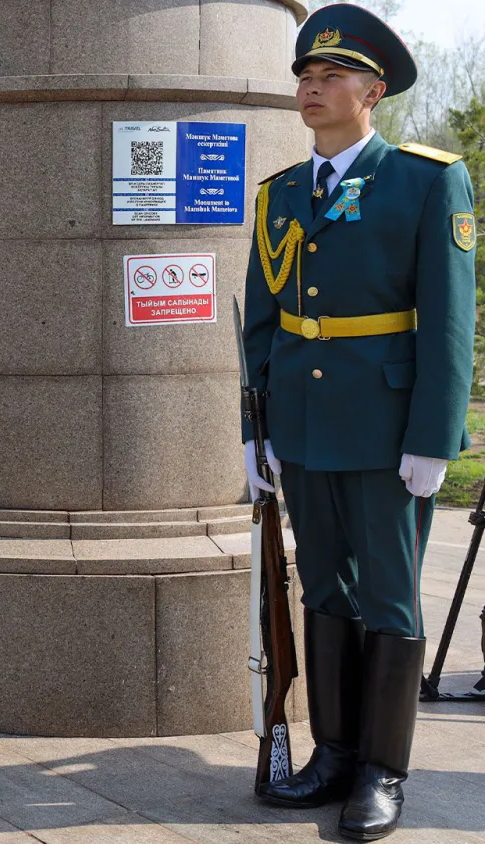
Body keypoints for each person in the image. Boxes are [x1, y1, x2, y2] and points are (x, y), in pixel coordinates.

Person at [241, 4, 476, 839]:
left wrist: (433, 437)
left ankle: (383, 769)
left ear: (372, 91)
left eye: (330, 76)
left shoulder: (425, 178)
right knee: (322, 586)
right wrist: (254, 428)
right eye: (305, 76)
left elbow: (448, 319)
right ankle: (333, 754)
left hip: (386, 430)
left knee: (387, 595)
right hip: (302, 428)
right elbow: (261, 322)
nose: (312, 88)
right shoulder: (279, 195)